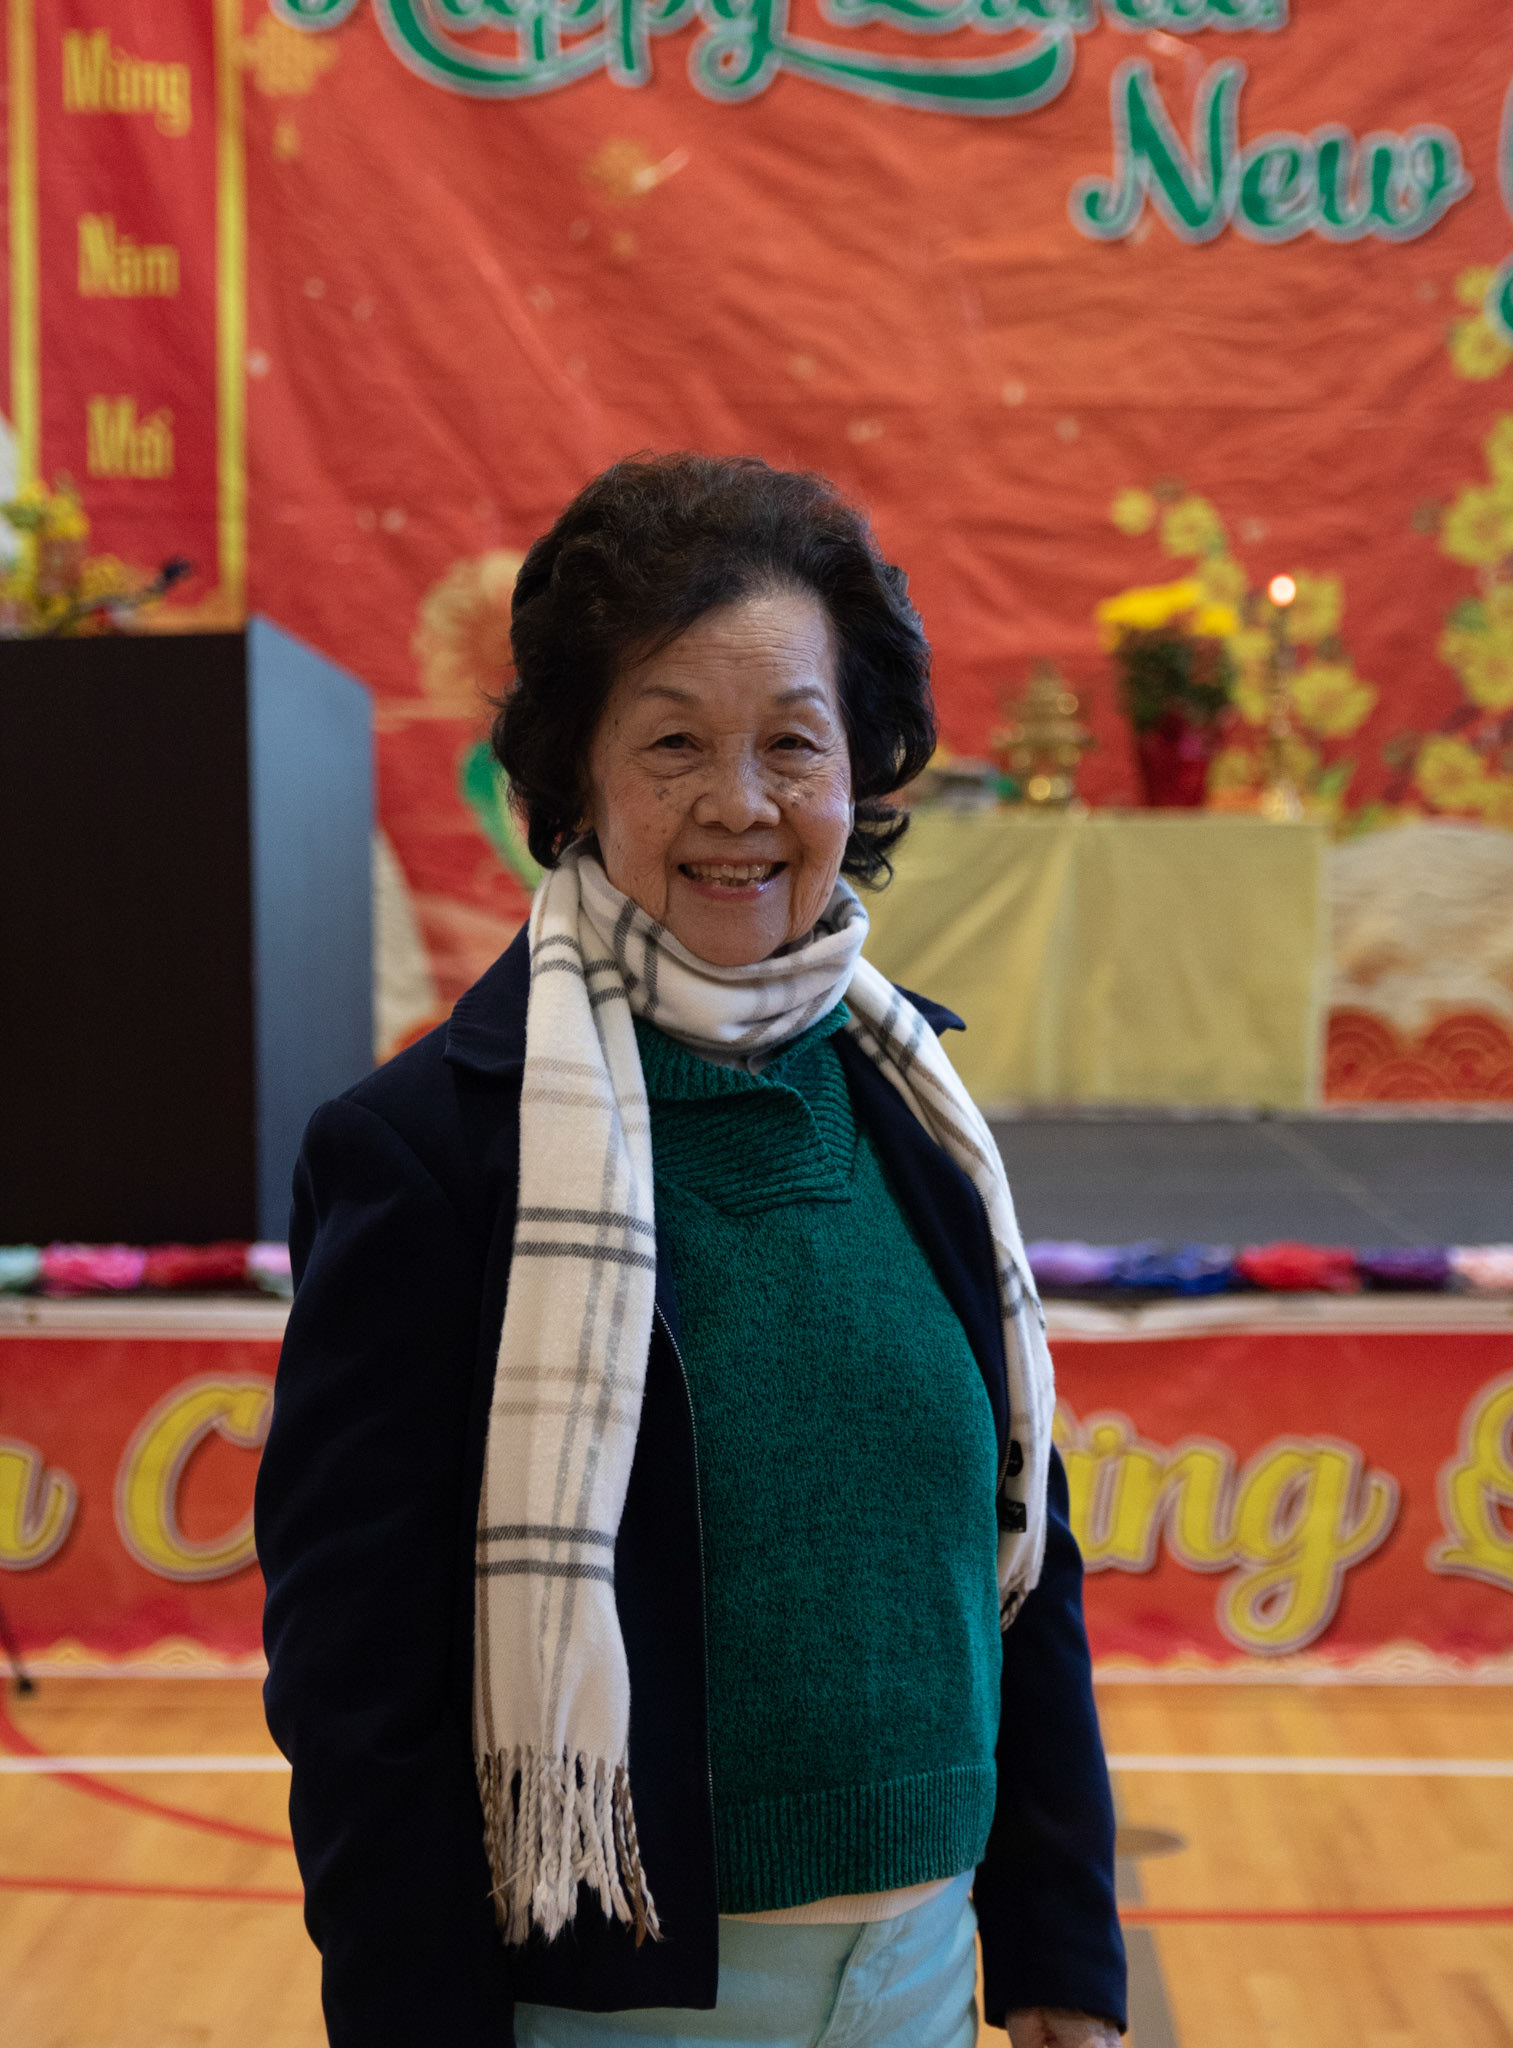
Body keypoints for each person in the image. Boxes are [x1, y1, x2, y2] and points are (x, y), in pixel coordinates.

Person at [256, 453, 1126, 2048]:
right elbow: (356, 1693)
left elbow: (1015, 1546)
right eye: (673, 743)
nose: (742, 803)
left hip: (927, 1981)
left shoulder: (915, 1110)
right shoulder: (431, 1154)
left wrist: (1061, 1946)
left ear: (861, 769)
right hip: (612, 2003)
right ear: (575, 779)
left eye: (793, 741)